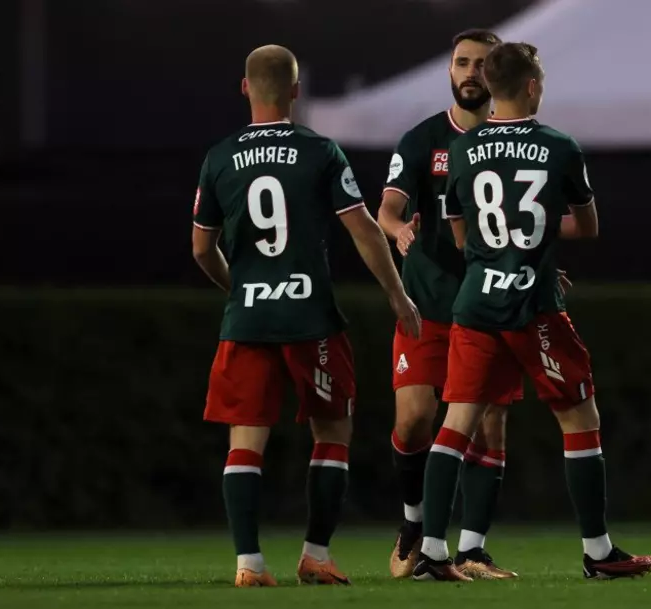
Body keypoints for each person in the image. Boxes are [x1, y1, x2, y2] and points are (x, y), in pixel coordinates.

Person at [410, 42, 651, 582]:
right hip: (532, 304)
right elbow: (587, 226)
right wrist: (536, 238)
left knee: (455, 424)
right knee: (579, 417)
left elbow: (462, 237)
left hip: (476, 303)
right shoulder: (558, 146)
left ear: (490, 86)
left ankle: (431, 552)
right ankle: (598, 552)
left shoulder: (463, 149)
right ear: (531, 86)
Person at [192, 44, 421, 588]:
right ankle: (315, 555)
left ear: (245, 88)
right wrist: (397, 295)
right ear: (296, 90)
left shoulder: (219, 157)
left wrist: (240, 289)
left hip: (248, 319)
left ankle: (249, 565)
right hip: (311, 318)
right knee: (333, 431)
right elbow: (364, 229)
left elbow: (201, 248)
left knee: (245, 442)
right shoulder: (320, 152)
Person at [377, 28, 525, 580]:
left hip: (490, 304)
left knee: (491, 427)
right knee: (416, 418)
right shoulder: (422, 139)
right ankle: (414, 522)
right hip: (428, 305)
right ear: (450, 70)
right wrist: (398, 230)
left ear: (496, 73)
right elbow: (388, 208)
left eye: (481, 63)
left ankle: (472, 550)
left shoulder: (515, 143)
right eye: (462, 62)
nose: (470, 72)